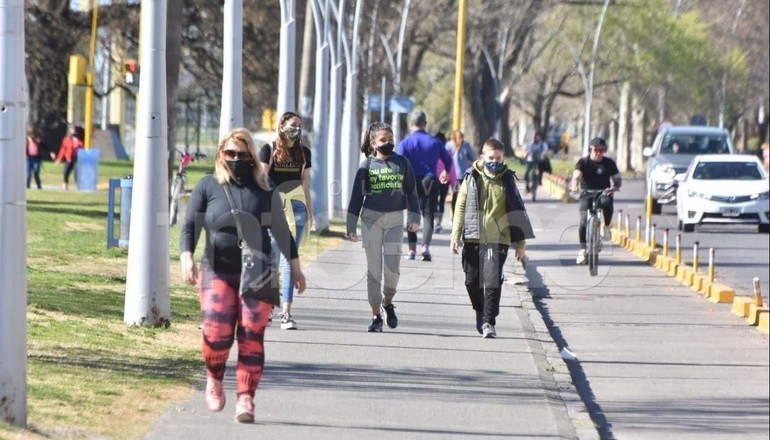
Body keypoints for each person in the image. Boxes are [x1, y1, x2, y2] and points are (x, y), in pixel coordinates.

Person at [180, 127, 307, 423]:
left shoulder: (265, 189)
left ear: (251, 155)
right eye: (230, 153)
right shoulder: (208, 186)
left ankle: (245, 399)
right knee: (216, 333)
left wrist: (295, 266)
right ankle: (214, 377)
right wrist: (187, 257)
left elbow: (281, 229)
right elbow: (190, 226)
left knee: (251, 335)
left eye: (242, 154)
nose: (236, 158)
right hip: (217, 270)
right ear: (221, 154)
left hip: (258, 271)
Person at [450, 138, 534, 339]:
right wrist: (455, 235)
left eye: (499, 158)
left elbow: (517, 210)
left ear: (503, 158)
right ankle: (480, 311)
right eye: (491, 158)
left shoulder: (507, 179)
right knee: (471, 282)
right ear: (482, 157)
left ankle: (489, 321)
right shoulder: (472, 177)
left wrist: (521, 243)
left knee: (492, 280)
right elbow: (460, 207)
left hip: (499, 238)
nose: (495, 162)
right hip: (473, 237)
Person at [347, 122, 420, 332]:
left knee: (392, 269)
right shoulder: (366, 166)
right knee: (374, 270)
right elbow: (356, 197)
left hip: (395, 220)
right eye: (383, 140)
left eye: (390, 139)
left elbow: (411, 192)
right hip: (371, 220)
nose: (388, 143)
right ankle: (376, 316)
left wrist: (414, 217)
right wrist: (351, 225)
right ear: (373, 144)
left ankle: (388, 302)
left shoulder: (402, 163)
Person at [258, 112, 313, 330]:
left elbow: (305, 183)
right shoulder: (268, 150)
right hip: (274, 207)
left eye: (299, 125)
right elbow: (262, 183)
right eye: (292, 125)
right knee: (272, 259)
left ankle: (286, 313)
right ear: (281, 126)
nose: (296, 129)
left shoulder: (304, 153)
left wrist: (310, 212)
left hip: (297, 207)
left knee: (289, 259)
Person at [396, 110, 452, 261]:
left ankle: (412, 250)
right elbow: (448, 160)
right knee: (428, 214)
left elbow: (399, 163)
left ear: (411, 124)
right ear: (425, 124)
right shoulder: (435, 142)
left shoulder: (406, 142)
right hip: (430, 180)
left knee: (412, 214)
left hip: (412, 181)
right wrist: (446, 172)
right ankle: (425, 247)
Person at [569, 137, 621, 265]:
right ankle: (582, 250)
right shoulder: (583, 162)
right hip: (586, 194)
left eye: (601, 150)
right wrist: (575, 185)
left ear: (604, 151)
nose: (598, 153)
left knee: (607, 202)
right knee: (582, 222)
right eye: (595, 150)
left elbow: (617, 179)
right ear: (590, 150)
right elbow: (576, 176)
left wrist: (614, 187)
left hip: (603, 192)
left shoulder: (609, 163)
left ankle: (607, 226)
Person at [443, 129, 476, 226]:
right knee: (462, 196)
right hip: (461, 174)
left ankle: (454, 217)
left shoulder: (449, 145)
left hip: (454, 174)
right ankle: (458, 217)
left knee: (456, 196)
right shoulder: (465, 145)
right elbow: (473, 157)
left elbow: (444, 158)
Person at [433, 131, 454, 233]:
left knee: (433, 201)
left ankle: (434, 221)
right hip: (445, 180)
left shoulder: (432, 152)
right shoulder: (448, 153)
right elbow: (452, 169)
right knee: (441, 201)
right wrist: (453, 182)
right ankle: (438, 223)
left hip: (434, 179)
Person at [55, 124, 84, 191]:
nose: (74, 132)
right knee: (66, 172)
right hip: (69, 158)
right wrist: (59, 159)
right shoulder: (67, 139)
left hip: (77, 159)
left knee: (77, 173)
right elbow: (63, 150)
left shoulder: (81, 140)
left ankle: (78, 185)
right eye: (72, 130)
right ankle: (65, 184)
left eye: (75, 130)